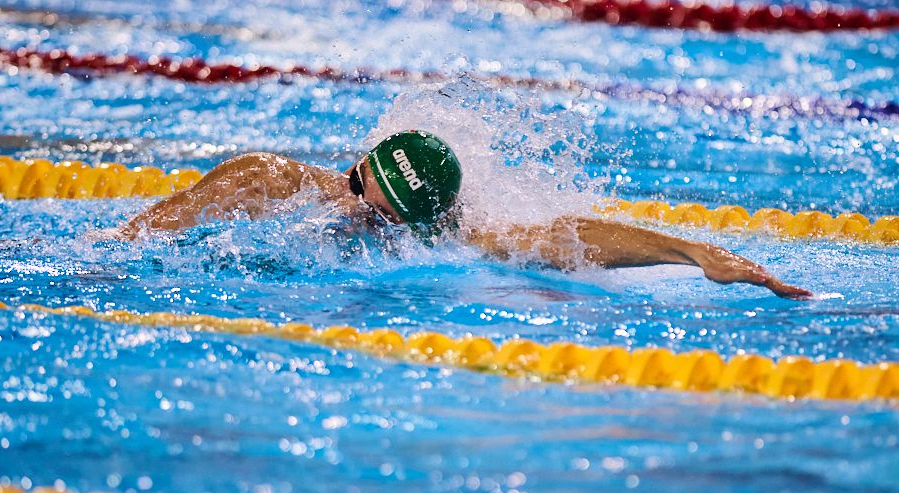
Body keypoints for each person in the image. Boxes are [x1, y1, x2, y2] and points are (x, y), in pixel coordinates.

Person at [116, 130, 811, 299]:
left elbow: (566, 237)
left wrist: (693, 253)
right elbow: (238, 180)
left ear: (409, 226)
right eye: (355, 177)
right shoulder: (295, 186)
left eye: (368, 201)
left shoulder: (457, 239)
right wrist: (125, 241)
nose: (346, 197)